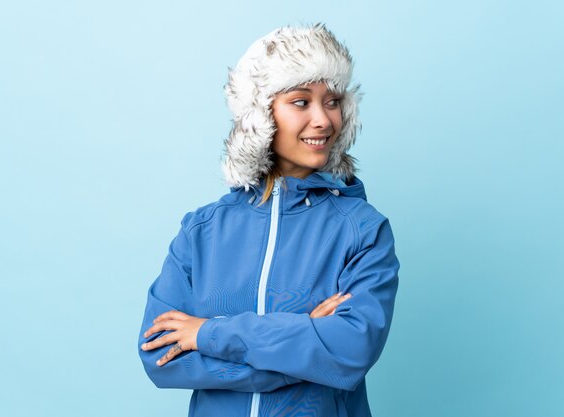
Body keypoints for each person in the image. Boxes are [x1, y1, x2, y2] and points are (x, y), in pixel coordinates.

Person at [138, 23, 400, 417]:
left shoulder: (362, 230)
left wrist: (208, 333)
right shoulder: (202, 231)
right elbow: (160, 355)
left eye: (332, 101)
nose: (323, 120)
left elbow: (349, 351)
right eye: (301, 102)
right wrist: (301, 345)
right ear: (261, 115)